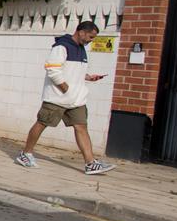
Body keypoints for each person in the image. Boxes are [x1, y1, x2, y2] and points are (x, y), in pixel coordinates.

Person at [15, 21, 116, 175]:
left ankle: (90, 163)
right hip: (57, 98)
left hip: (76, 99)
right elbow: (52, 69)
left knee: (81, 127)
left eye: (93, 38)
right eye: (90, 37)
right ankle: (25, 154)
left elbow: (73, 72)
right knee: (42, 123)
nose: (91, 40)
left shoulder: (81, 49)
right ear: (81, 32)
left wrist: (89, 77)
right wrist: (65, 88)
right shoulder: (62, 46)